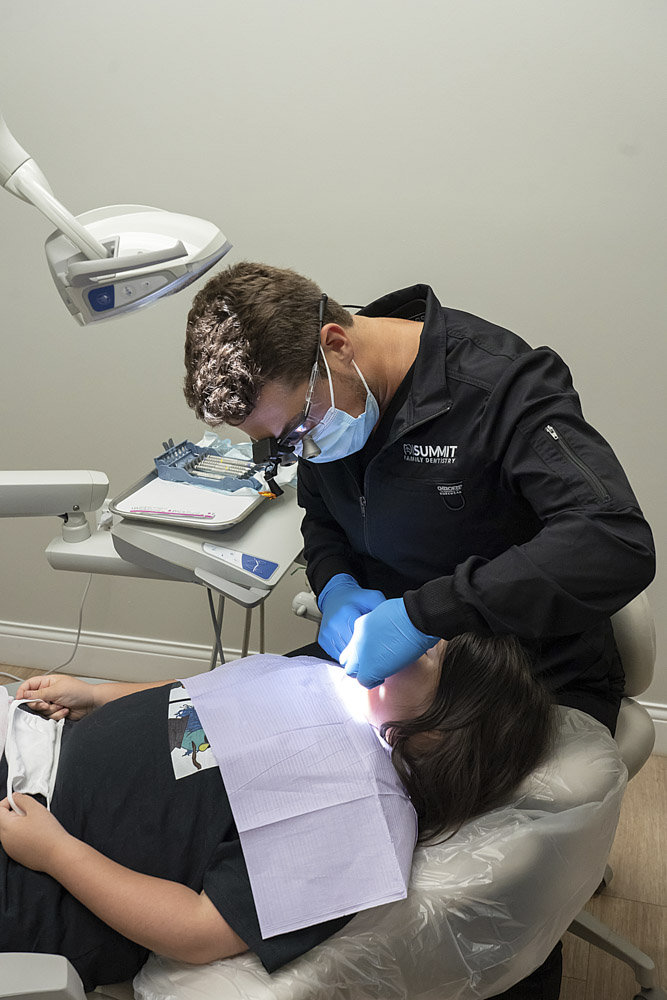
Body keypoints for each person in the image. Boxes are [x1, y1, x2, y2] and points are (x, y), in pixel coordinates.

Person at [182, 261, 656, 999]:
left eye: (298, 426)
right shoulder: (325, 420)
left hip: (532, 676)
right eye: (275, 444)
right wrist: (334, 584)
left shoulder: (499, 387)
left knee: (471, 890)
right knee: (259, 775)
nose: (299, 448)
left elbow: (614, 542)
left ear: (335, 343)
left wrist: (426, 612)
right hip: (394, 659)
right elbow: (323, 518)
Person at [0, 635, 553, 992]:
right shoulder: (331, 684)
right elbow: (196, 702)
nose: (406, 641)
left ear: (439, 730)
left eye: (428, 653)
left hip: (40, 873)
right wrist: (101, 695)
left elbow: (198, 931)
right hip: (36, 752)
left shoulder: (360, 822)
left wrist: (56, 851)